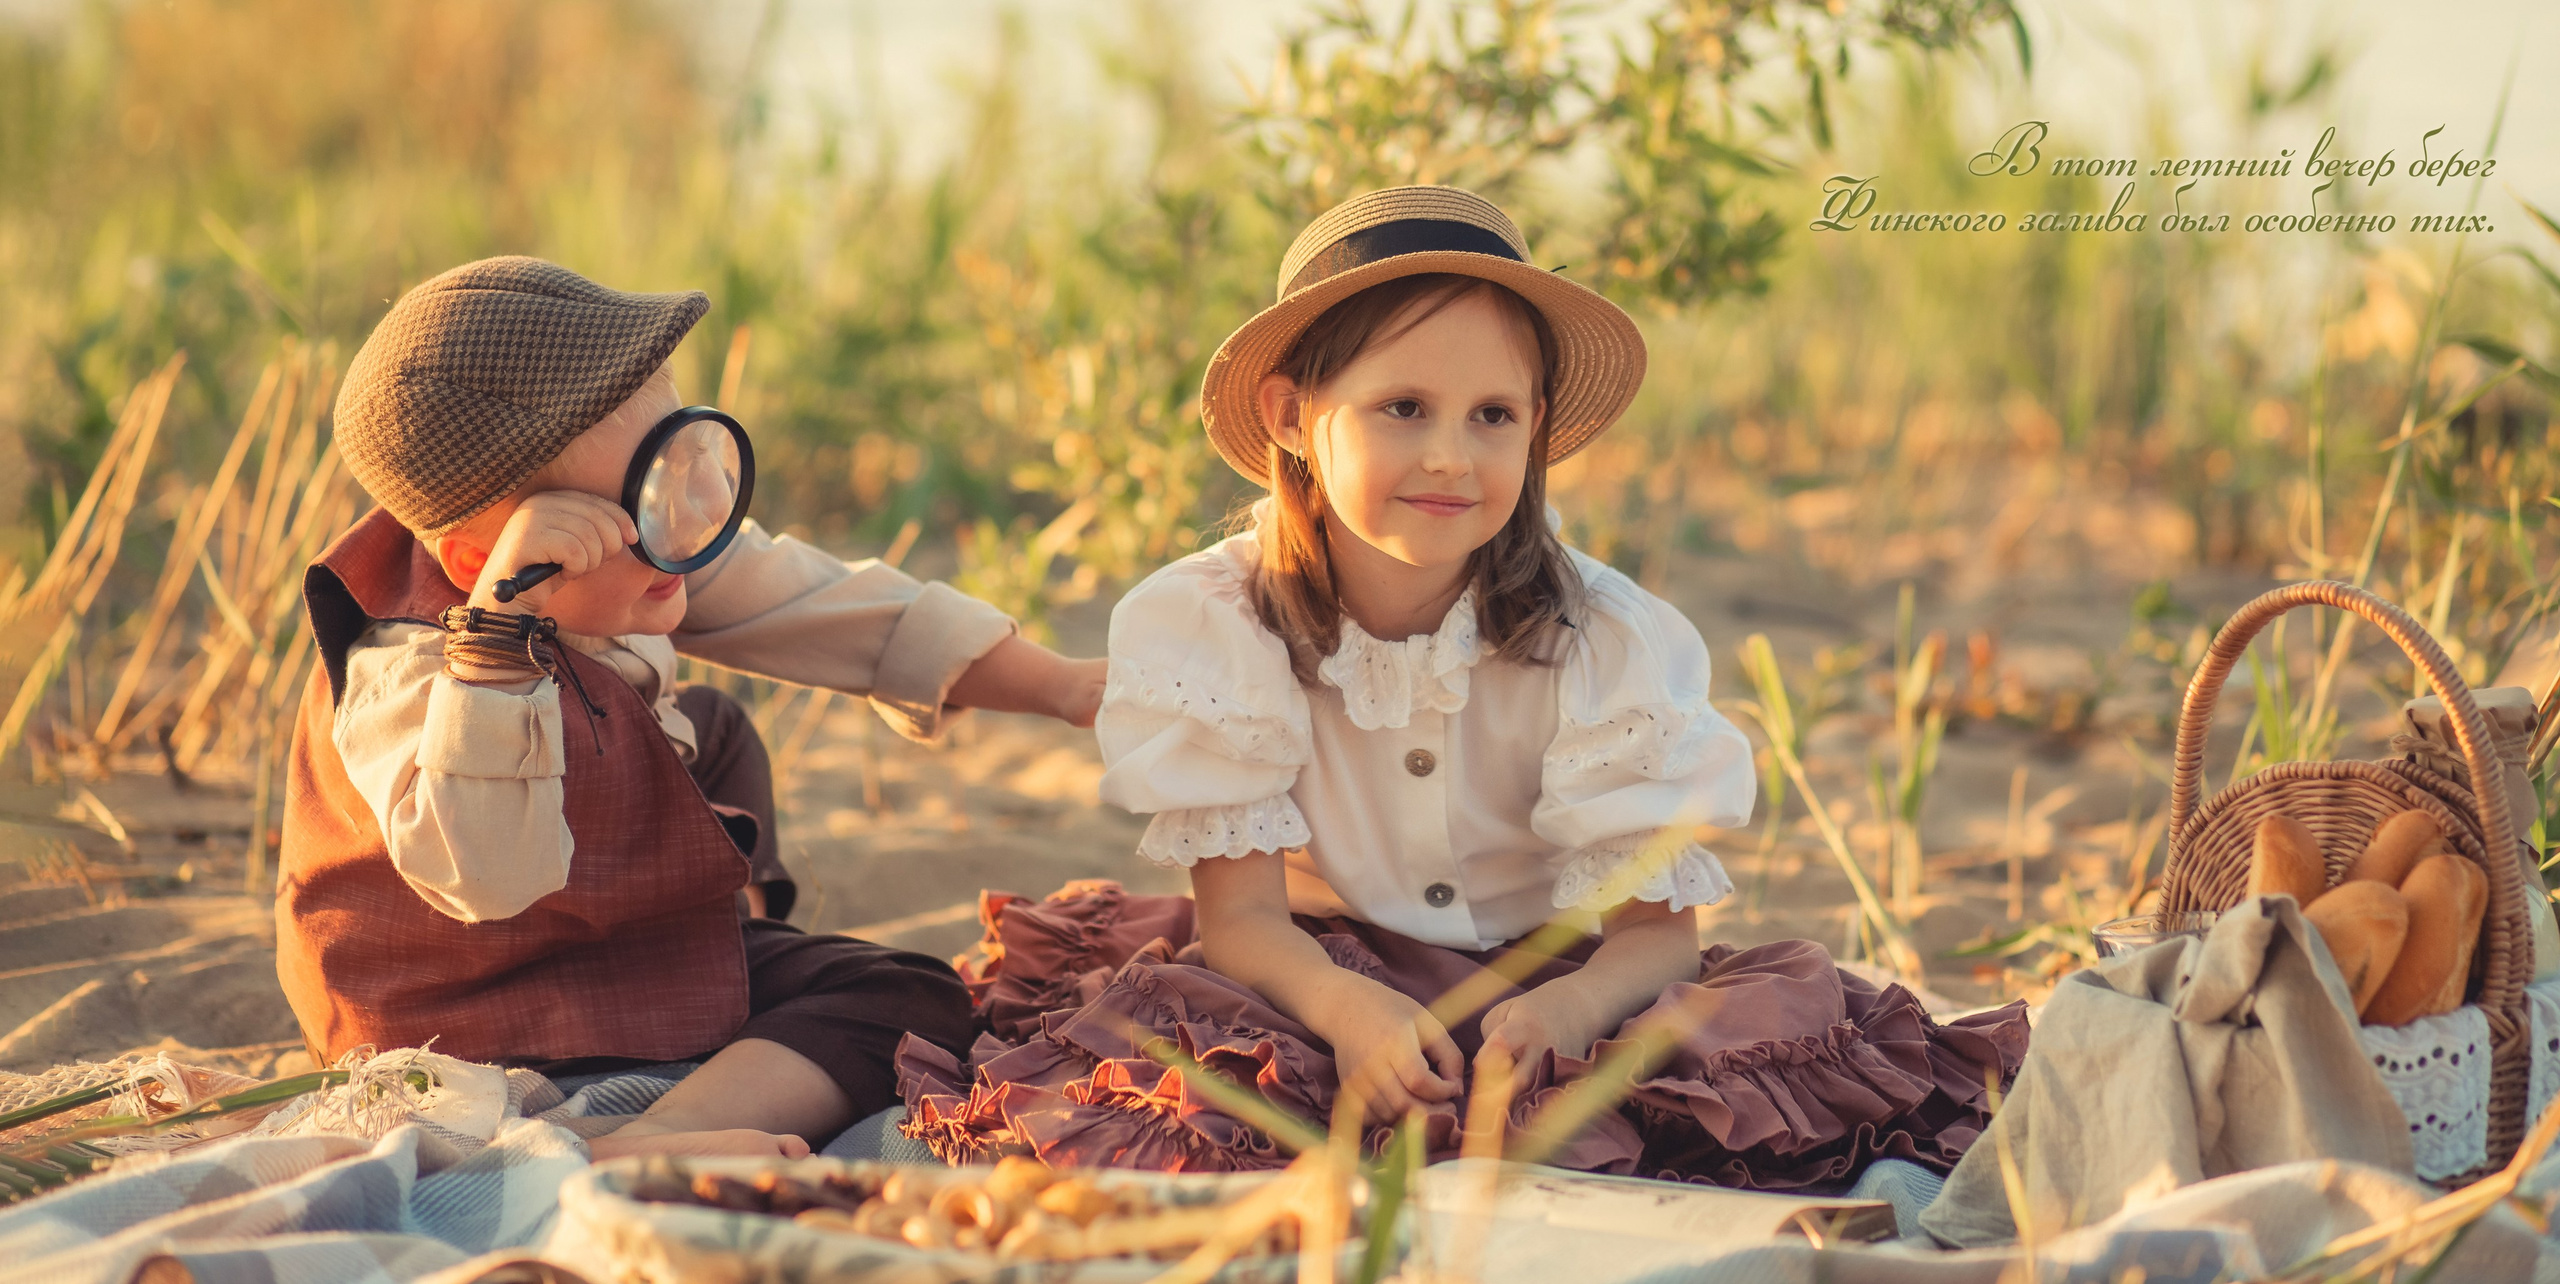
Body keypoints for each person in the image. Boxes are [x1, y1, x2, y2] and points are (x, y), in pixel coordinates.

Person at [898, 187, 2029, 1187]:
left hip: (1556, 973)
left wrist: (1561, 1009)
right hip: (1311, 962)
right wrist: (1348, 1009)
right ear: (1294, 419)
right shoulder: (1214, 621)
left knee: (1746, 1059)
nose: (1451, 456)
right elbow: (1240, 917)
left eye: (1492, 416)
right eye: (1404, 409)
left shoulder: (1603, 639)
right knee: (1179, 1076)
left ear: (1535, 431)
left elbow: (1656, 939)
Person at [280, 256, 1106, 1161]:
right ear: (485, 564)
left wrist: (1060, 685)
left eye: (689, 456)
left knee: (712, 729)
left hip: (594, 923)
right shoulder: (409, 670)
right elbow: (487, 875)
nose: (698, 514)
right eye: (653, 494)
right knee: (906, 1000)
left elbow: (828, 608)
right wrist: (499, 649)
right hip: (463, 1002)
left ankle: (718, 982)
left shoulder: (631, 555)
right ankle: (659, 1132)